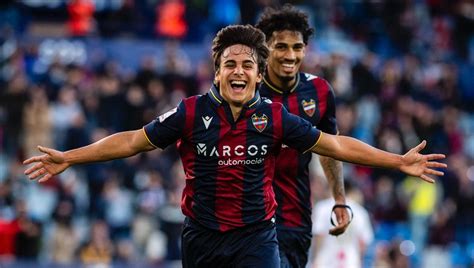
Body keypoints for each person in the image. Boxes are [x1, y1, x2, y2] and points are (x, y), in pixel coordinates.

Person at [23, 24, 446, 267]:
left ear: (259, 75)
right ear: (217, 72)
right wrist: (69, 157)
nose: (239, 71)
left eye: (247, 65)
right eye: (230, 64)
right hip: (201, 236)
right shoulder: (189, 112)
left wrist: (396, 160)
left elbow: (333, 145)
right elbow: (133, 142)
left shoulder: (274, 117)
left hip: (256, 236)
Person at [255, 4, 348, 267]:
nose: (290, 55)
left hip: (297, 217)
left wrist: (339, 200)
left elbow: (330, 149)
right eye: (281, 46)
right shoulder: (247, 91)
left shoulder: (319, 91)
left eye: (297, 47)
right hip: (252, 218)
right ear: (266, 49)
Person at [310, 179, 374, 268]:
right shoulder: (361, 212)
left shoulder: (323, 207)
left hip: (325, 262)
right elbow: (363, 243)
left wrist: (315, 259)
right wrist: (358, 261)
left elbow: (319, 235)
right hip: (351, 263)